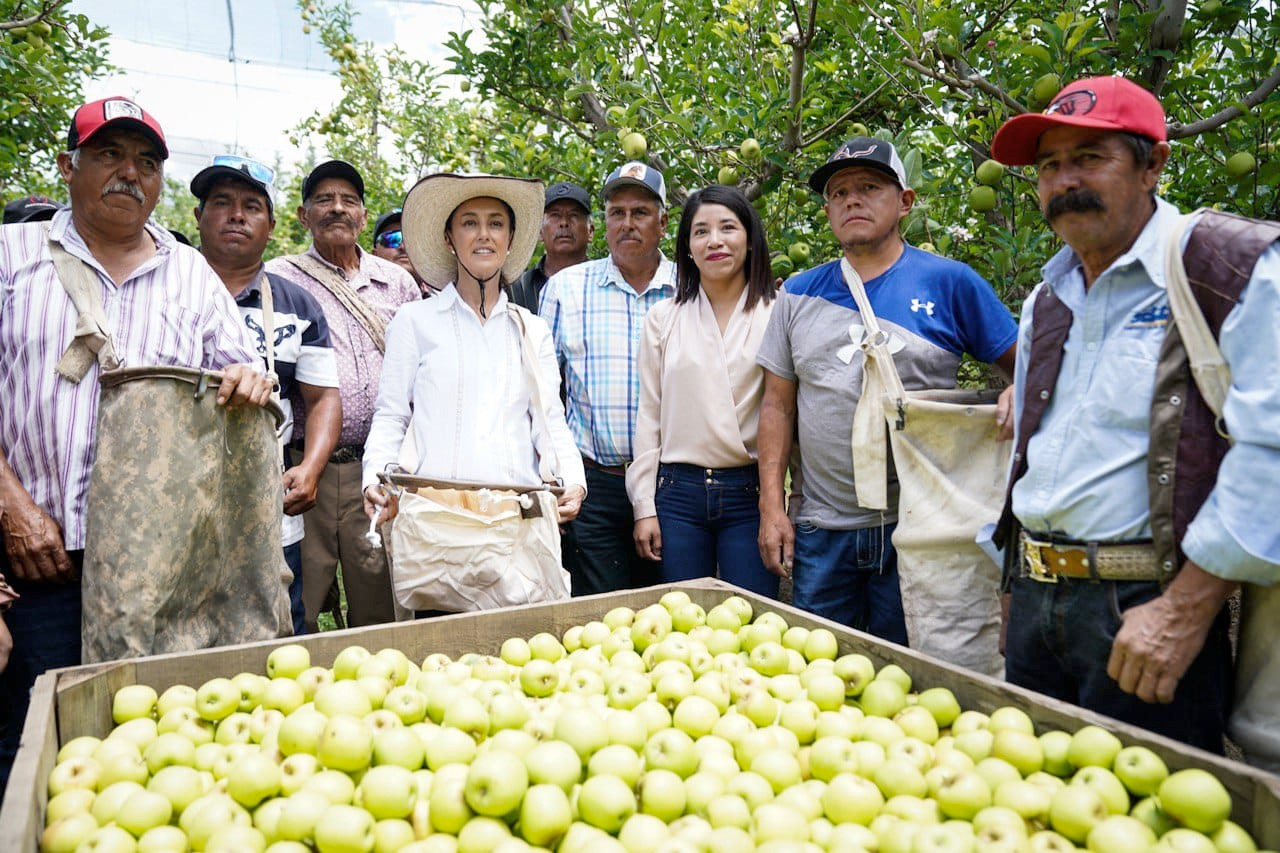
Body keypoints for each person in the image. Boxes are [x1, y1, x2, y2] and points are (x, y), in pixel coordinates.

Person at [991, 76, 1280, 757]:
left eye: (1089, 159)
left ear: (1153, 166)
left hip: (1145, 606)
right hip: (1038, 602)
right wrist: (1015, 584)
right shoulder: (1049, 297)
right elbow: (1034, 451)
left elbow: (1272, 448)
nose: (1066, 181)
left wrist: (1186, 608)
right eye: (1050, 166)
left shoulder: (1228, 267)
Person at [0, 96, 272, 794]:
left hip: (166, 574)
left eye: (146, 162)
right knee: (39, 754)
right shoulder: (11, 258)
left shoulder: (192, 278)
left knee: (158, 753)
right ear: (68, 165)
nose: (130, 173)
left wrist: (249, 382)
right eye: (109, 155)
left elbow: (252, 388)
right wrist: (11, 506)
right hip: (42, 562)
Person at [756, 137, 1018, 643]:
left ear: (905, 201)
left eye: (869, 187)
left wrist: (1020, 389)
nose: (852, 200)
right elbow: (777, 405)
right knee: (820, 673)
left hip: (922, 528)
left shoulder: (950, 283)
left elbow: (1027, 368)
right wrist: (773, 507)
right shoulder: (797, 294)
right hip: (822, 527)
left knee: (916, 675)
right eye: (839, 193)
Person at [361, 173, 586, 551]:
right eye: (470, 223)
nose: (484, 234)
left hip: (515, 521)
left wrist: (573, 481)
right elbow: (392, 414)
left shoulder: (531, 329)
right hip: (434, 519)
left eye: (495, 223)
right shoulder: (415, 321)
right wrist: (375, 476)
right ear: (450, 239)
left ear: (510, 239)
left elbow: (550, 420)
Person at [191, 154, 343, 636]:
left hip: (270, 513)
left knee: (278, 634)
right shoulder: (166, 289)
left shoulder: (298, 304)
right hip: (178, 511)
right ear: (198, 217)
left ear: (272, 226)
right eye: (222, 203)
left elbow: (323, 399)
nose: (237, 215)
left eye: (252, 206)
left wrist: (311, 468)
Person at [265, 160, 420, 632]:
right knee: (298, 599)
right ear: (302, 213)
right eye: (324, 200)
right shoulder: (279, 278)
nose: (337, 209)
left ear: (362, 212)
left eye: (349, 200)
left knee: (380, 601)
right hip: (303, 466)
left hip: (378, 468)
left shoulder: (398, 283)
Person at [627, 185, 778, 597]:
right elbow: (649, 416)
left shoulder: (777, 312)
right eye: (701, 231)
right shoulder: (664, 317)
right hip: (678, 494)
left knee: (752, 619)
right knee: (682, 622)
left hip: (751, 494)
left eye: (727, 227)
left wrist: (783, 504)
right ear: (687, 247)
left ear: (749, 238)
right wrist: (644, 507)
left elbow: (787, 413)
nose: (715, 241)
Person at [539, 162, 676, 595]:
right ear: (603, 223)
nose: (628, 224)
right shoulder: (566, 289)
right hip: (595, 484)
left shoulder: (691, 287)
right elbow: (542, 395)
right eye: (617, 213)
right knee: (601, 617)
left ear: (663, 222)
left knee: (673, 612)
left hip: (673, 484)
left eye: (640, 212)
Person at [509, 181, 593, 312]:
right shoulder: (517, 289)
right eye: (555, 216)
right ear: (540, 232)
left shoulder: (606, 285)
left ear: (590, 232)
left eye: (574, 215)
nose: (564, 223)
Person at [372, 207, 438, 297]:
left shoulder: (444, 299)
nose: (403, 246)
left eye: (411, 240)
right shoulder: (359, 298)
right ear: (374, 255)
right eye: (392, 239)